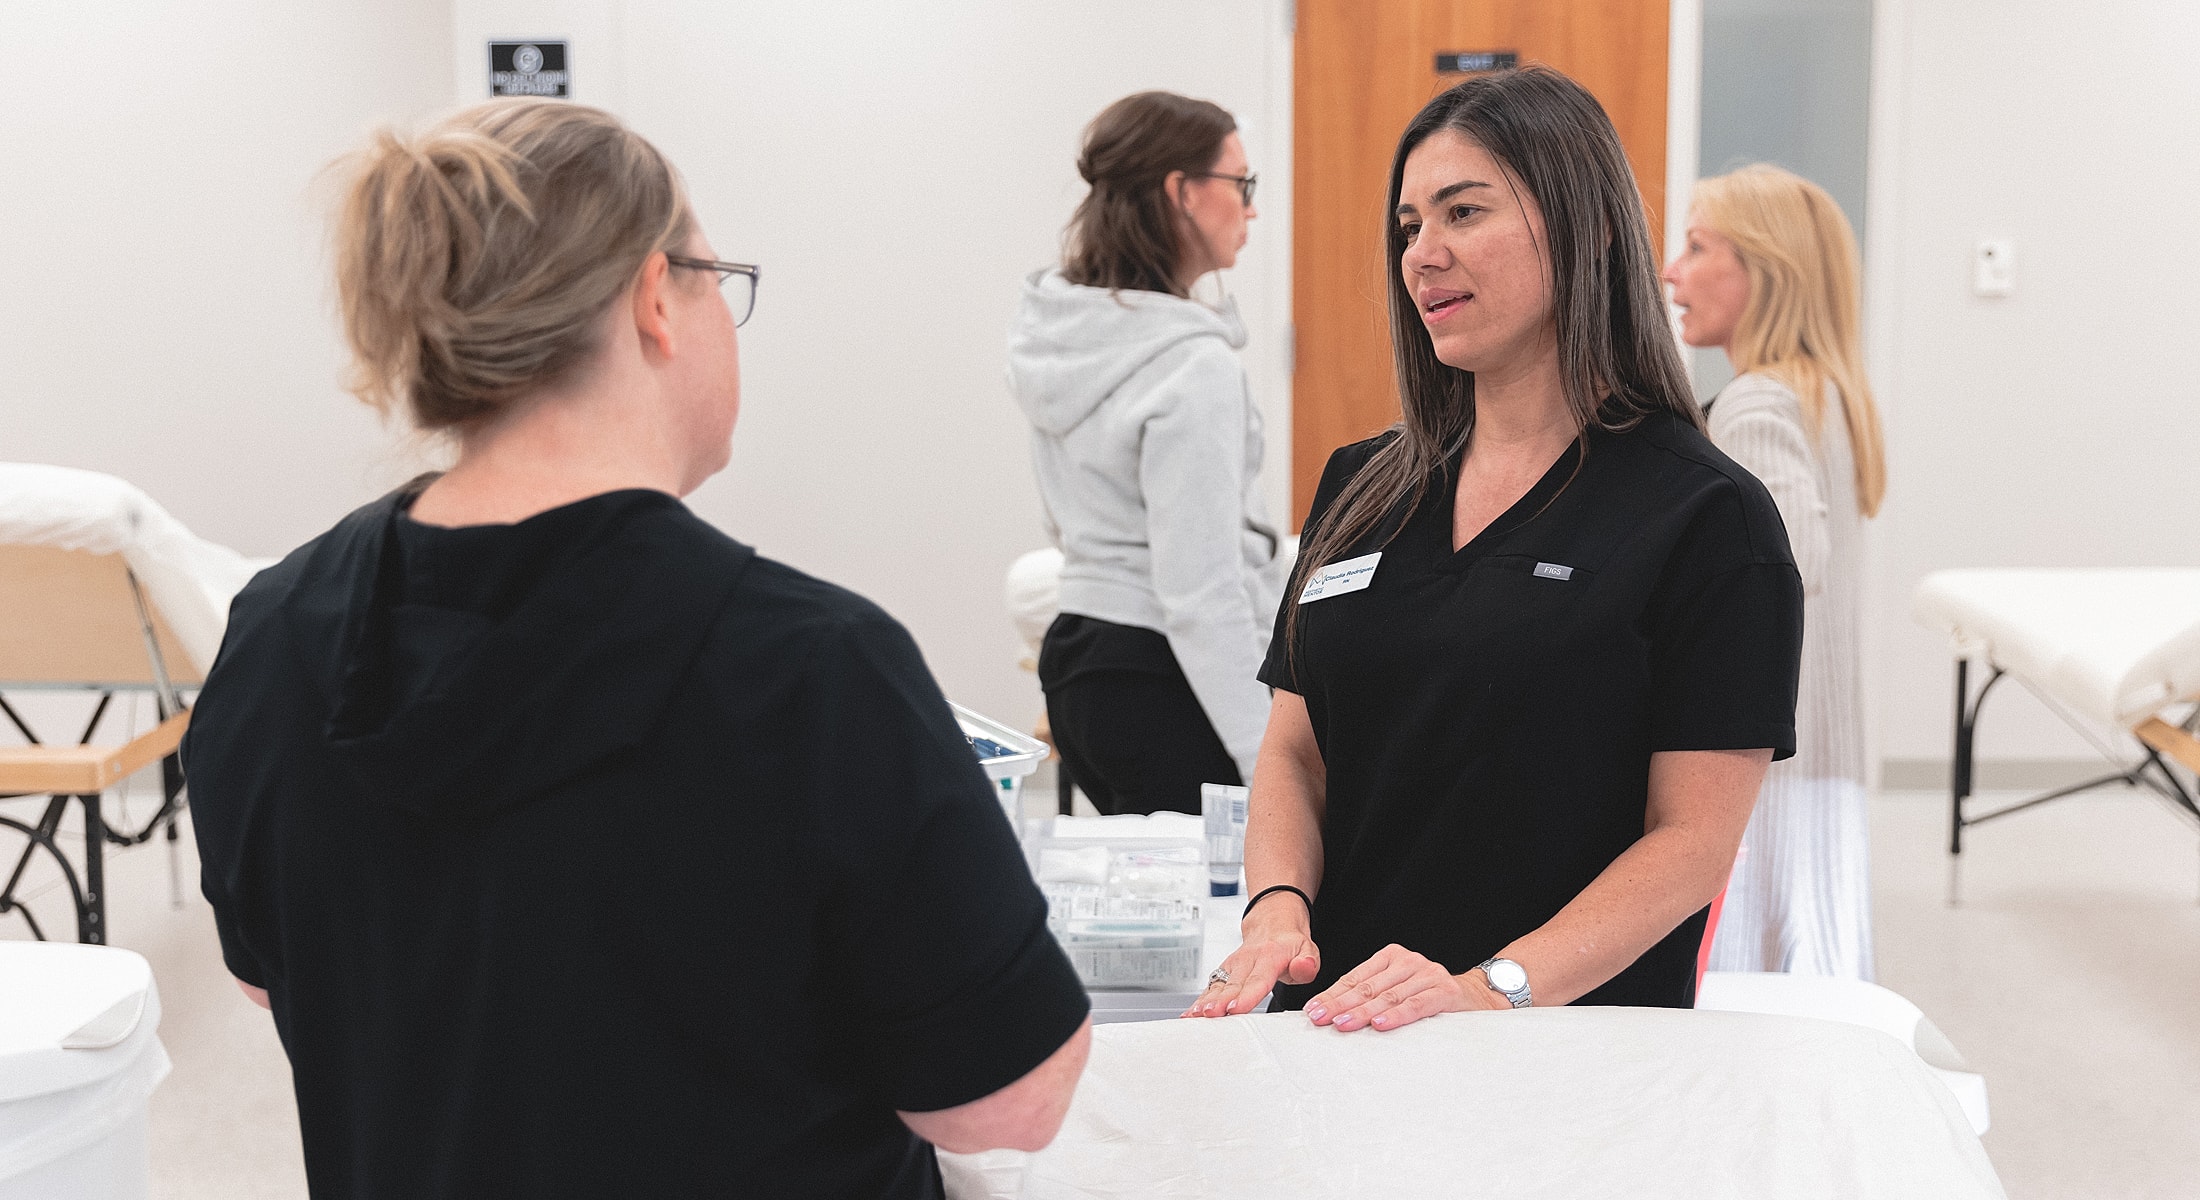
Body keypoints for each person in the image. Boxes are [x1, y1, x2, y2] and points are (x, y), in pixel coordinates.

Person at [182, 99, 1089, 1199]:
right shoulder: (813, 672)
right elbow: (1007, 1103)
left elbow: (280, 986)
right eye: (719, 280)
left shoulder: (275, 635)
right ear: (658, 298)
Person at [1189, 66, 1804, 1028]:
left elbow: (1689, 843)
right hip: (1340, 1032)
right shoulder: (1363, 486)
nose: (1423, 256)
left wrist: (1489, 989)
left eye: (1462, 212)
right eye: (1408, 228)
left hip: (1563, 1047)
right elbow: (1297, 754)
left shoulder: (1706, 519)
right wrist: (1276, 913)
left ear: (1589, 225)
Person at [1008, 90, 1285, 815]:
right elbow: (1200, 590)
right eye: (1241, 184)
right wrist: (1268, 765)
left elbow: (1064, 527)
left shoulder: (1063, 339)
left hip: (1076, 667)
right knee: (1227, 916)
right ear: (1182, 192)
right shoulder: (1195, 368)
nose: (1252, 209)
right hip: (1162, 673)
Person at [1663, 163, 1888, 980]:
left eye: (1696, 247)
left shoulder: (1756, 405)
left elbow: (1780, 574)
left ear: (1766, 270)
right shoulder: (1824, 396)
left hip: (1769, 778)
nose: (1670, 271)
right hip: (1824, 767)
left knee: (1754, 996)